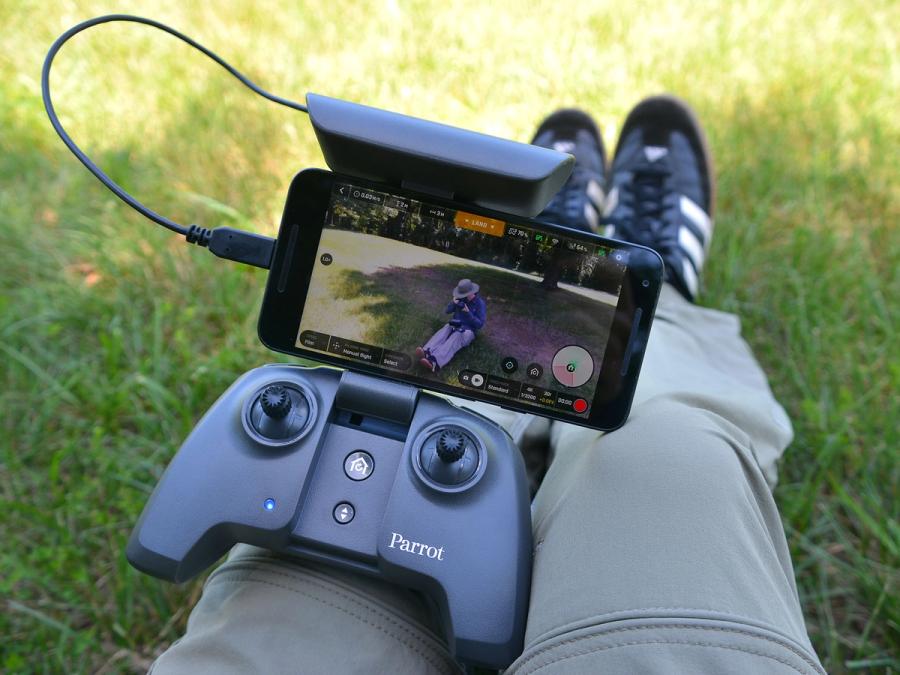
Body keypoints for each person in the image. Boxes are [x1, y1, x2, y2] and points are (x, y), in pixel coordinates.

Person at [151, 96, 825, 673]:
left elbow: (468, 318)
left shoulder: (473, 305)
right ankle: (655, 292)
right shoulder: (462, 304)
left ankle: (600, 260)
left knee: (421, 439)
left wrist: (464, 319)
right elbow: (458, 318)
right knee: (671, 439)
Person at [416, 279, 487, 373]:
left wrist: (468, 313)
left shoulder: (480, 304)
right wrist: (453, 303)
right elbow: (447, 311)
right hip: (454, 324)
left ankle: (434, 362)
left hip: (468, 331)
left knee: (456, 336)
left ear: (471, 292)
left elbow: (479, 325)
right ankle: (426, 352)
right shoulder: (461, 298)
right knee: (446, 328)